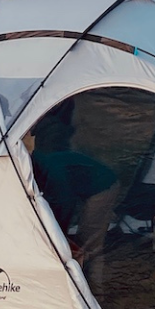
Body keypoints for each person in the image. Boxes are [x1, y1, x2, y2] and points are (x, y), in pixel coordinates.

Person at [30, 117, 120, 287]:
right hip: (85, 185)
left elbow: (65, 204)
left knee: (89, 240)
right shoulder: (36, 167)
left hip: (103, 186)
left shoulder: (52, 172)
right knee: (77, 239)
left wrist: (59, 232)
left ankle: (93, 287)